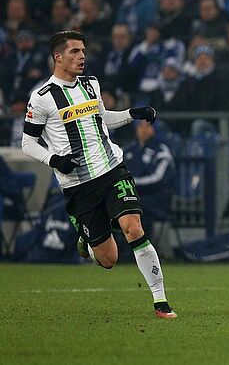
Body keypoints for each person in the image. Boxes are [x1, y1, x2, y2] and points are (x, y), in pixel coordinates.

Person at [21, 30, 175, 319]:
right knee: (108, 259)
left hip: (112, 168)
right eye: (75, 51)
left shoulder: (91, 84)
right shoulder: (42, 98)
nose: (82, 56)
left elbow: (101, 118)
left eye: (83, 51)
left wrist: (131, 114)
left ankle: (161, 301)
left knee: (133, 227)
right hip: (78, 184)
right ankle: (87, 238)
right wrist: (54, 159)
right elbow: (27, 143)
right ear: (58, 57)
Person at [122, 120, 175, 242]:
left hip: (155, 200)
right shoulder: (128, 150)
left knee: (132, 208)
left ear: (154, 129)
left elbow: (159, 179)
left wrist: (132, 183)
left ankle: (138, 246)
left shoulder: (161, 151)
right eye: (140, 126)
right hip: (131, 197)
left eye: (148, 126)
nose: (144, 130)